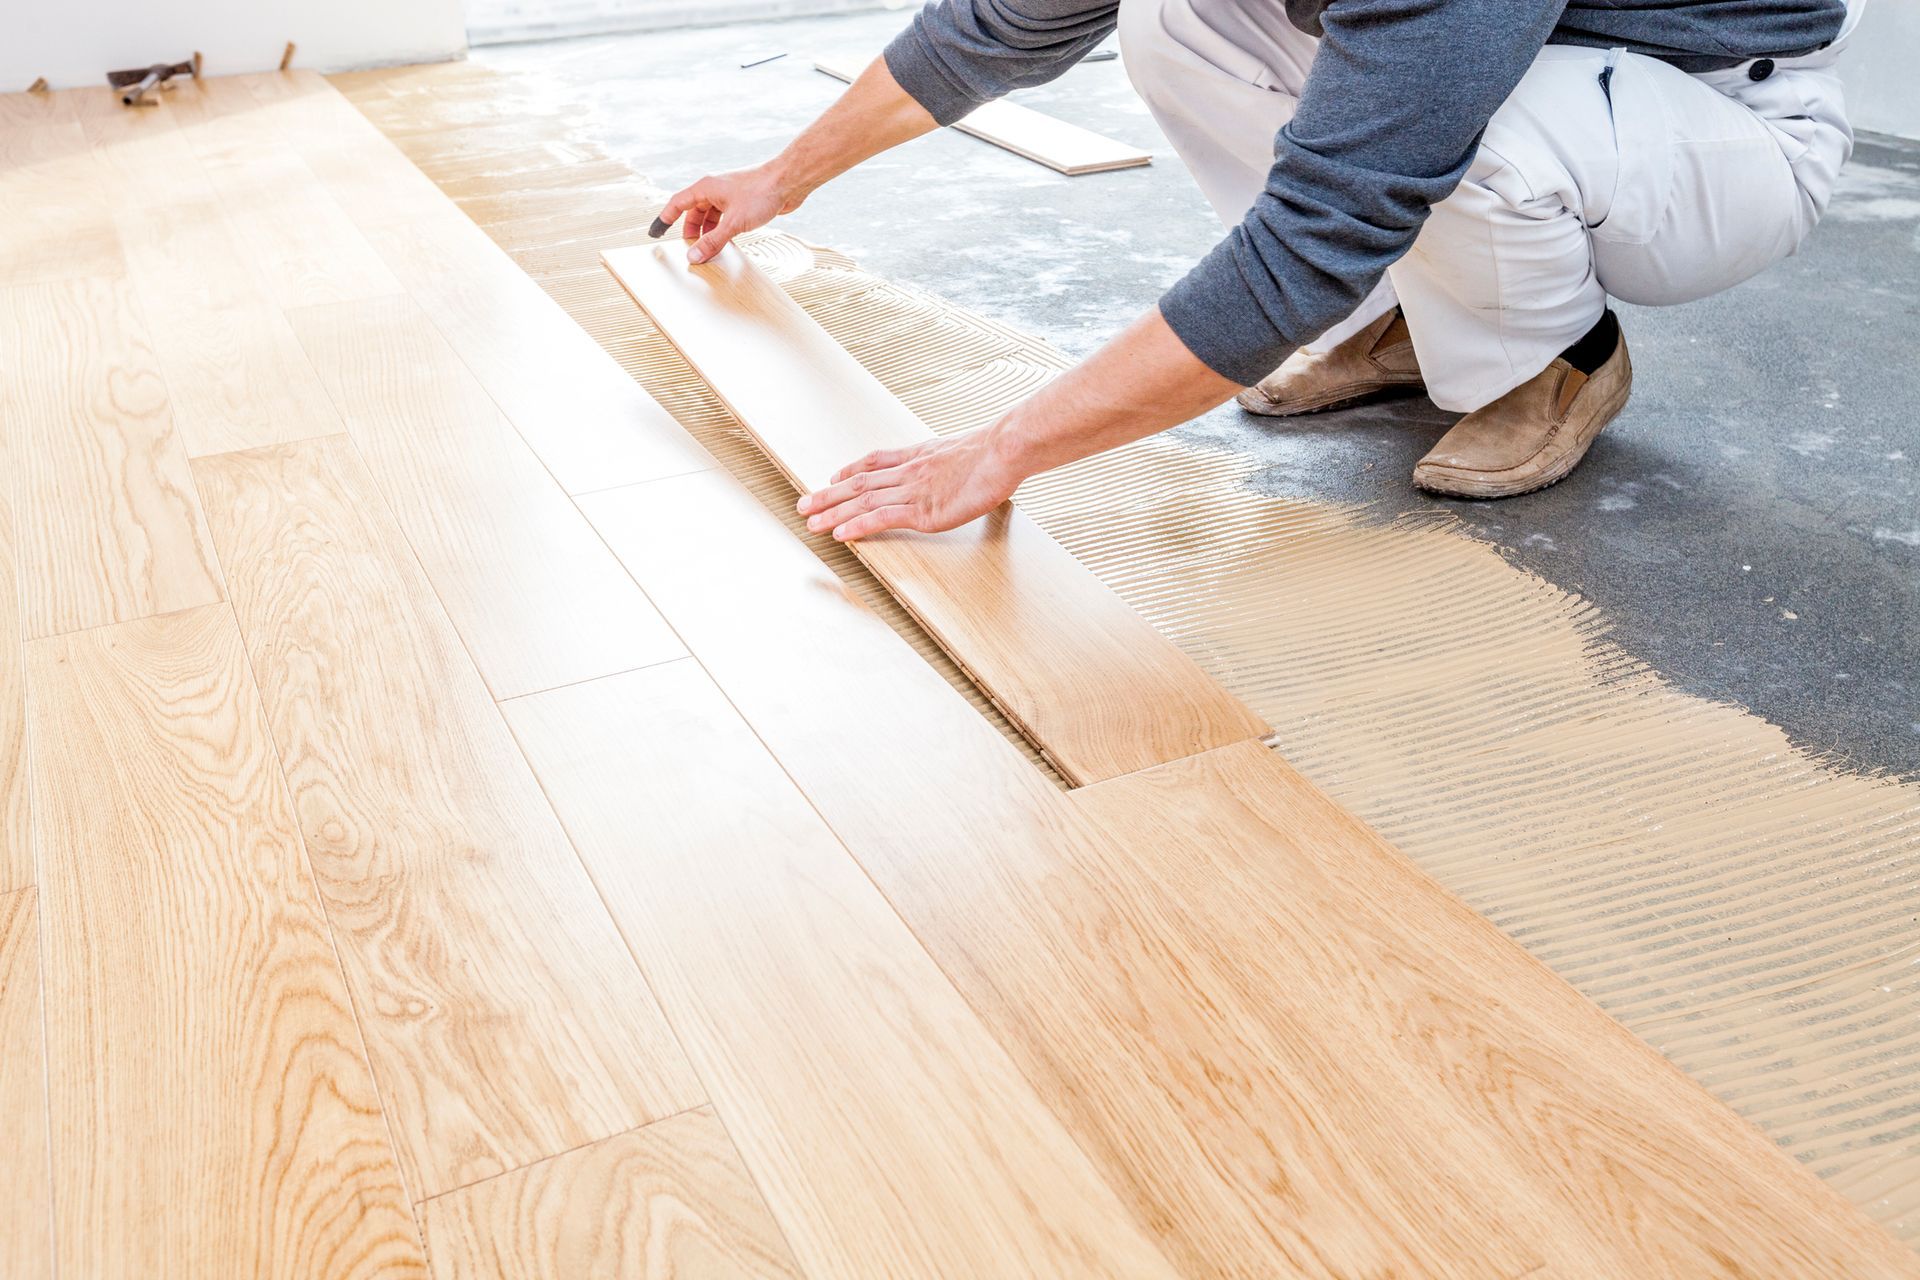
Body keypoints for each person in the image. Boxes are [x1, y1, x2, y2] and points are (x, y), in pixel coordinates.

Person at [656, 0, 1860, 539]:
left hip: (1725, 126)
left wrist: (1001, 448)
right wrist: (780, 177)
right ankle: (1422, 323)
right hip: (1542, 73)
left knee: (1465, 133)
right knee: (1173, 19)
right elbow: (998, 25)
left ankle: (1562, 357)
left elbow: (1319, 226)